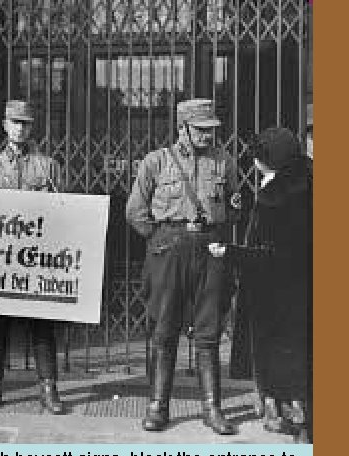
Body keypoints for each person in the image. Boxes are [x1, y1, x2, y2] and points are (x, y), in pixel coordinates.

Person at [126, 98, 239, 435]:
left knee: (208, 331)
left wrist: (223, 218)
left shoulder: (224, 161)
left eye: (211, 129)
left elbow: (234, 207)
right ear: (183, 129)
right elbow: (135, 210)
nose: (207, 135)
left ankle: (212, 408)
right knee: (164, 329)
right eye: (200, 130)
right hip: (168, 250)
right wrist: (161, 239)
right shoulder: (156, 163)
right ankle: (158, 406)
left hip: (209, 250)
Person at [209, 127, 312, 437]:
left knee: (279, 359)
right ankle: (296, 414)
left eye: (257, 157)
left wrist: (229, 251)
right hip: (304, 290)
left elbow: (268, 254)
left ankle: (292, 420)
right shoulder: (308, 182)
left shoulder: (274, 196)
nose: (253, 162)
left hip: (274, 295)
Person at [0, 99, 64, 415]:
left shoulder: (48, 167)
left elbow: (63, 212)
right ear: (5, 125)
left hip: (37, 260)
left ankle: (48, 389)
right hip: (1, 261)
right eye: (15, 122)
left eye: (26, 123)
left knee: (42, 325)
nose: (21, 129)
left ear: (31, 127)